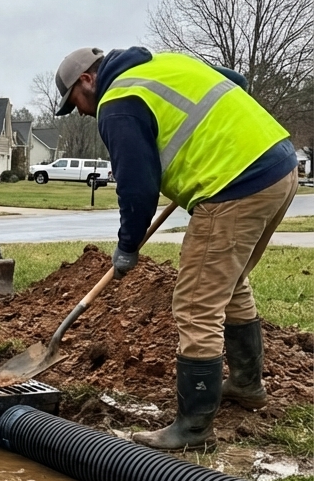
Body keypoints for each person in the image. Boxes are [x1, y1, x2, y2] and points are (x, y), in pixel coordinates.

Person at [55, 45, 297, 450]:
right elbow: (235, 82)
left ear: (87, 80)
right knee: (230, 283)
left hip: (234, 187)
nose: (79, 111)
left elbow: (138, 187)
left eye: (74, 102)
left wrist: (127, 245)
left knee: (196, 303)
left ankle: (194, 430)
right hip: (278, 166)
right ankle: (246, 384)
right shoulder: (164, 63)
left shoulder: (117, 102)